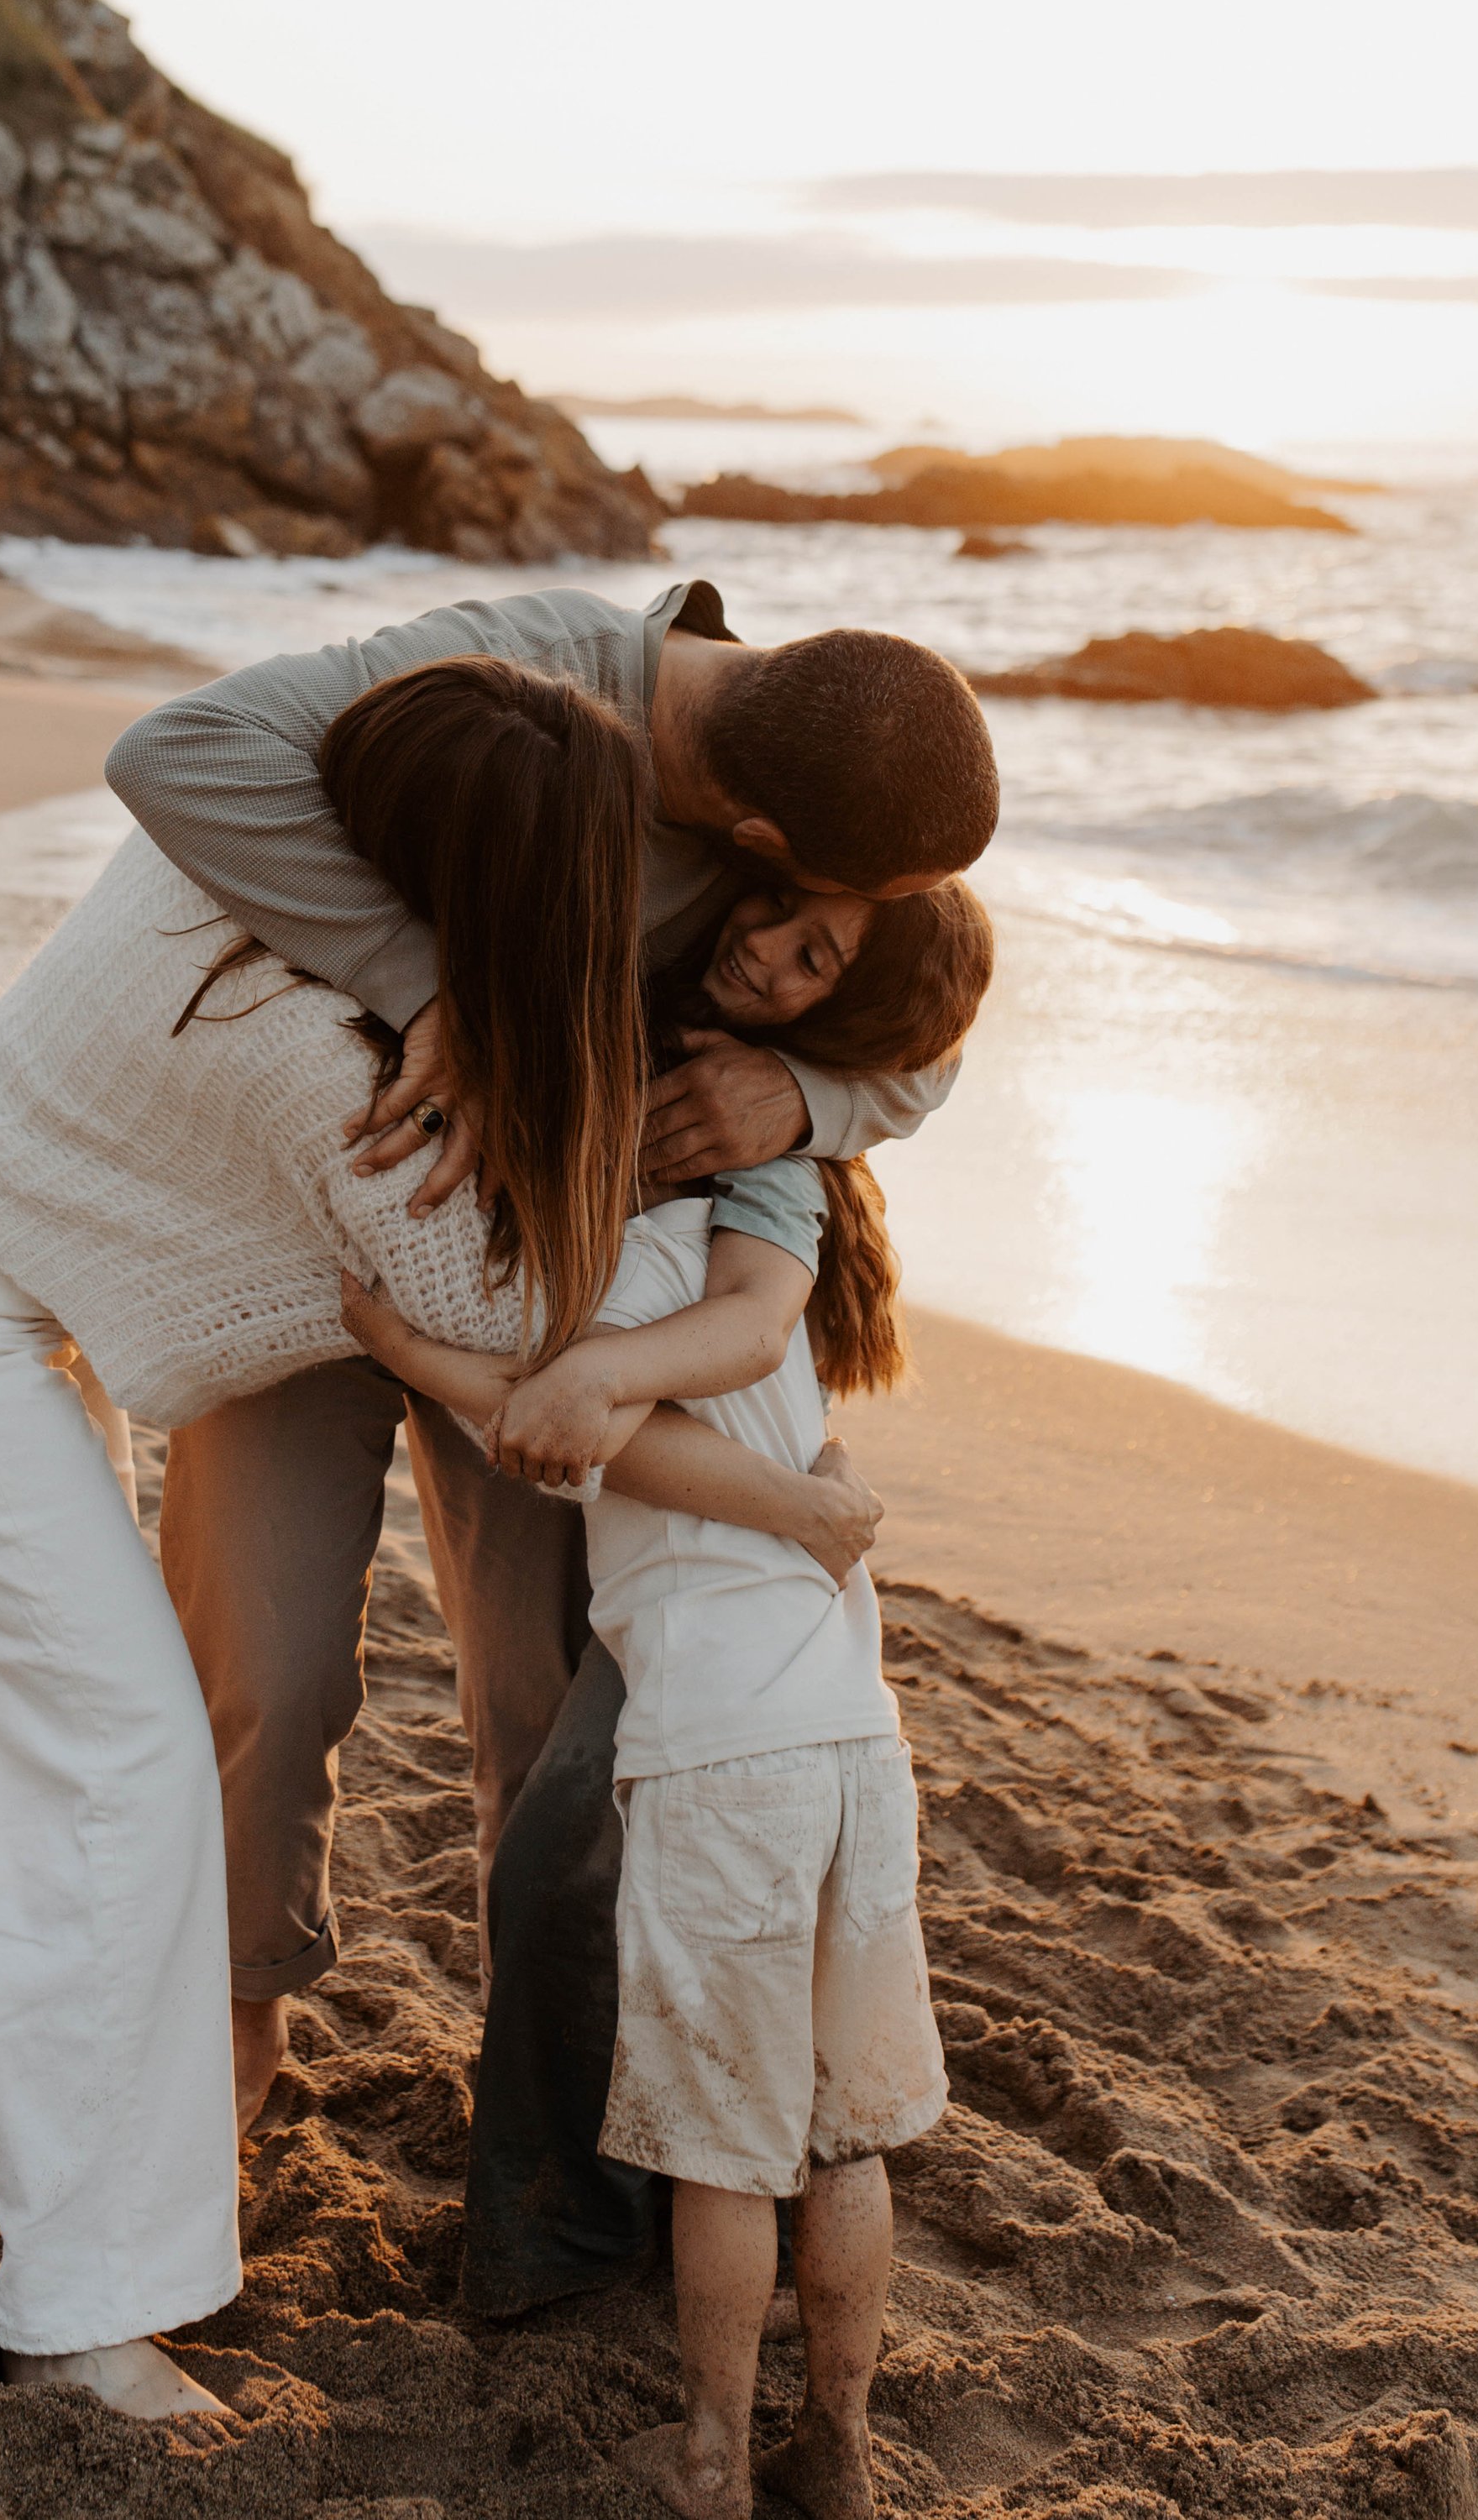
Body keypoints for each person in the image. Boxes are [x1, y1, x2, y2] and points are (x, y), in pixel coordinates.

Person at [0, 656, 883, 2424]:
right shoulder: (319, 1072)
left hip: (0, 1214)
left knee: (8, 1628)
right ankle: (77, 2307)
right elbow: (510, 1323)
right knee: (126, 1749)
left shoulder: (236, 876)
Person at [104, 581, 998, 2124]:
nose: (793, 941)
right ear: (765, 844)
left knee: (553, 1691)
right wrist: (426, 982)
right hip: (303, 1232)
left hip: (546, 1282)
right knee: (264, 1654)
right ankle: (239, 2014)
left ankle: (554, 2080)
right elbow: (178, 754)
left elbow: (929, 1013)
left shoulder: (819, 789)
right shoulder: (523, 669)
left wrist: (811, 1105)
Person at [339, 986, 968, 2520]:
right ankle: (842, 2445)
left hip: (713, 1767)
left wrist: (399, 1342)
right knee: (842, 2135)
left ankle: (711, 2458)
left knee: (720, 2151)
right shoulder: (754, 1274)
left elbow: (538, 1421)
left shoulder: (586, 1297)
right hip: (854, 1746)